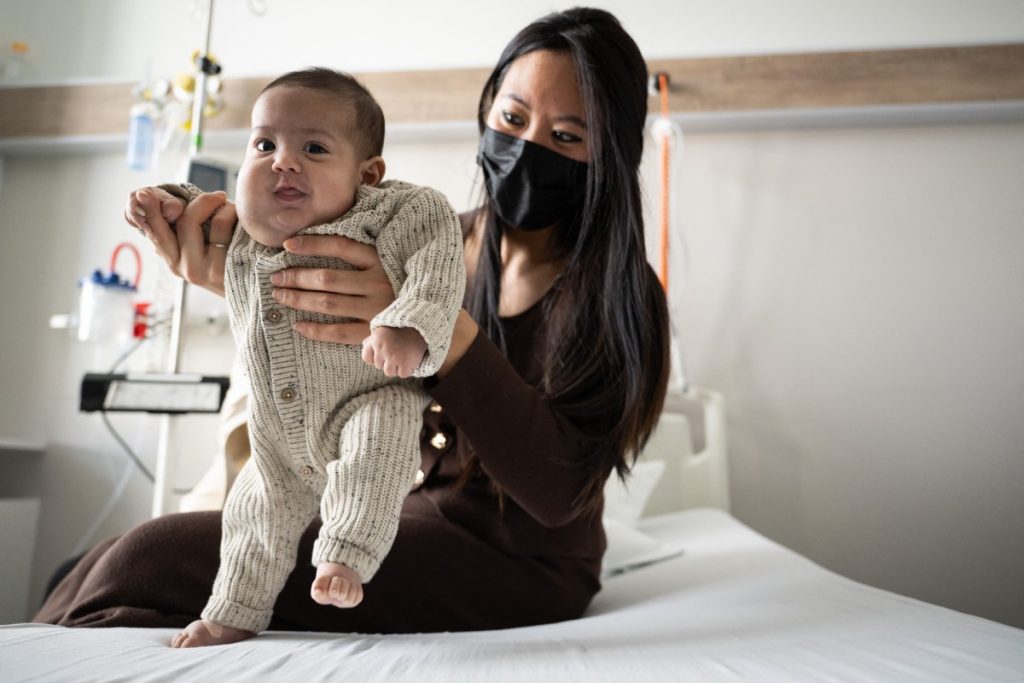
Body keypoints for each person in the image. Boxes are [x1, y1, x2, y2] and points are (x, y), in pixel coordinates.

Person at [35, 7, 670, 637]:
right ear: (486, 113)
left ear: (611, 152)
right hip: (387, 516)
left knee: (150, 557)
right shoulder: (437, 240)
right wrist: (233, 277)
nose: (528, 146)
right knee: (84, 564)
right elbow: (327, 356)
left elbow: (561, 497)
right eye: (512, 117)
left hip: (518, 563)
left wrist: (438, 330)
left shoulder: (619, 293)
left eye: (566, 136)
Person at [128, 68, 465, 647]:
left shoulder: (396, 212)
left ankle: (343, 557)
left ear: (368, 174)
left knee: (374, 455)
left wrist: (408, 327)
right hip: (277, 431)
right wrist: (163, 204)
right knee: (252, 514)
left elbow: (438, 264)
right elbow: (198, 210)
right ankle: (232, 611)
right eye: (265, 145)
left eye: (313, 148)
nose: (284, 161)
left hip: (369, 394)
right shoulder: (244, 229)